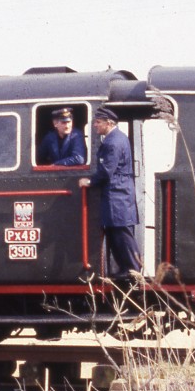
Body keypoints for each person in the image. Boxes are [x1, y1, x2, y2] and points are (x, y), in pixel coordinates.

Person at [78, 108, 142, 280]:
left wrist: (90, 181)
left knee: (121, 231)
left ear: (109, 122)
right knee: (115, 231)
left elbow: (107, 170)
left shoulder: (113, 142)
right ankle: (126, 269)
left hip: (117, 192)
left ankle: (133, 270)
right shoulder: (116, 138)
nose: (95, 125)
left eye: (98, 122)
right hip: (116, 191)